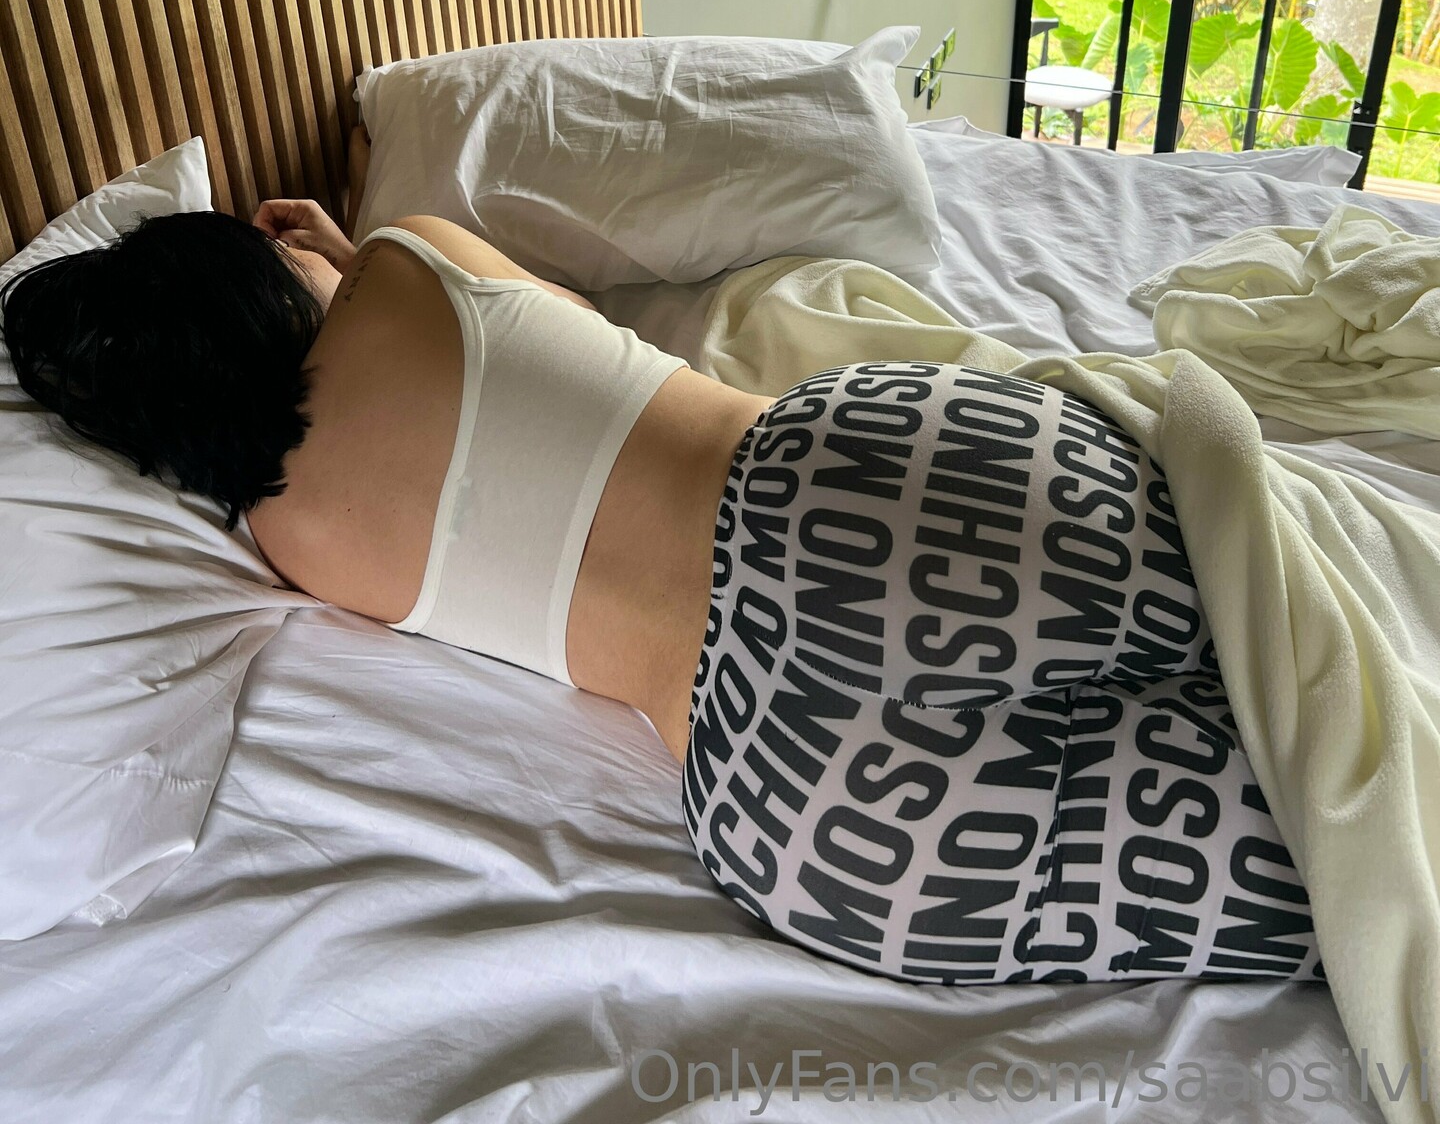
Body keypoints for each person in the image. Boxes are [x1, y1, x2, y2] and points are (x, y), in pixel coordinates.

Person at [0, 182, 1320, 987]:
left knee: (1324, 883)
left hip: (791, 781)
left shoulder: (287, 538)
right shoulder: (413, 258)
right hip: (849, 491)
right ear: (249, 276)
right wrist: (346, 255)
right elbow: (568, 336)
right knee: (1324, 654)